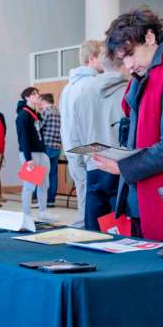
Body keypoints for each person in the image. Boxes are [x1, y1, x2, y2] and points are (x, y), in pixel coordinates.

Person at [93, 6, 163, 241]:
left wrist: (123, 166)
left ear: (150, 37)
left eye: (131, 54)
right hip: (141, 195)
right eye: (124, 59)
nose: (129, 64)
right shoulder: (145, 77)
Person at [72, 51, 130, 230]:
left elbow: (75, 135)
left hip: (93, 166)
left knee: (93, 232)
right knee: (124, 236)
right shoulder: (129, 91)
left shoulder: (81, 94)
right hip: (121, 168)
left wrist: (82, 162)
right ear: (124, 64)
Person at [60, 40, 104, 224]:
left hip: (74, 149)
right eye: (103, 55)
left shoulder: (69, 86)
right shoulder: (92, 85)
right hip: (88, 152)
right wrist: (91, 154)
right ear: (92, 59)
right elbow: (91, 124)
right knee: (92, 207)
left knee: (84, 199)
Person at [16, 87, 57, 221]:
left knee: (44, 184)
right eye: (33, 94)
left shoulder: (36, 114)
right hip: (30, 154)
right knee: (29, 185)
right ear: (26, 97)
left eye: (37, 93)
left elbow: (40, 133)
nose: (37, 95)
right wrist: (28, 159)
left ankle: (43, 211)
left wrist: (44, 151)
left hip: (41, 153)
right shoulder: (23, 115)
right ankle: (26, 214)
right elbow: (23, 138)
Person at [39, 93, 62, 208]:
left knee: (41, 173)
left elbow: (37, 127)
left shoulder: (44, 112)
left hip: (46, 146)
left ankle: (40, 199)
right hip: (57, 147)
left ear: (43, 101)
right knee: (53, 174)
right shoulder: (58, 112)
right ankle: (51, 200)